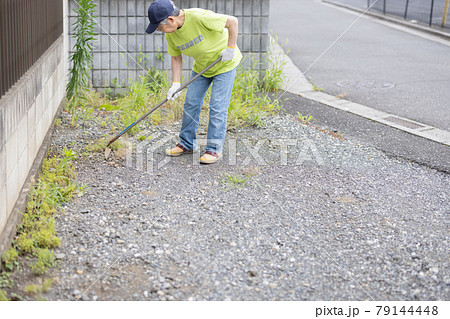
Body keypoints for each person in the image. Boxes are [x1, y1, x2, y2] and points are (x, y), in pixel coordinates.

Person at [146, 0, 242, 164]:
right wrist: (175, 83)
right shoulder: (172, 33)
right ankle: (187, 143)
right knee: (191, 102)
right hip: (203, 67)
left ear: (170, 20)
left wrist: (230, 48)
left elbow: (232, 22)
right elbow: (176, 56)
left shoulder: (199, 17)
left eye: (159, 27)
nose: (159, 30)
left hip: (224, 64)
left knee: (217, 105)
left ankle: (214, 149)